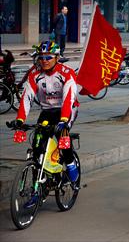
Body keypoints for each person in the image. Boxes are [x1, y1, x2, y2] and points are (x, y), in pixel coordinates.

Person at [10, 40, 80, 200]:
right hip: (47, 110)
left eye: (49, 57)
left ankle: (70, 167)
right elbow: (26, 98)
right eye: (41, 58)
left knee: (62, 135)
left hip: (67, 108)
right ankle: (38, 186)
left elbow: (69, 97)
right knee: (37, 146)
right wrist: (20, 120)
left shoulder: (66, 73)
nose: (44, 61)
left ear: (57, 57)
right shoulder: (35, 75)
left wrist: (63, 121)